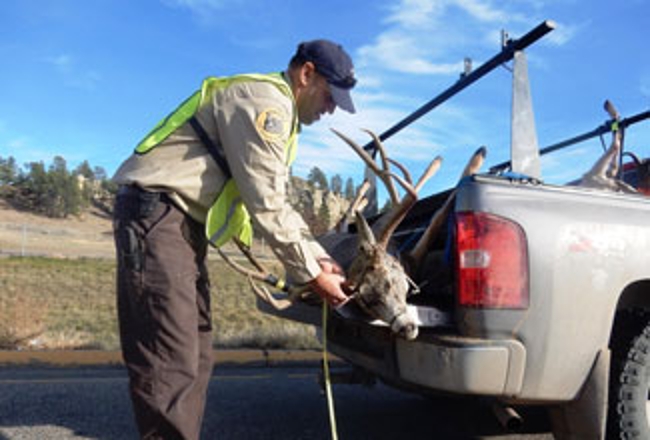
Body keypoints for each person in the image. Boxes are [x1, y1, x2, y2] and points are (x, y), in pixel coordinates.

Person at [111, 39, 356, 439]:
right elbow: (267, 203)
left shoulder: (278, 111)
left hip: (179, 225)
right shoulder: (266, 105)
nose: (331, 110)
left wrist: (318, 258)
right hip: (158, 218)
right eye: (330, 97)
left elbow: (277, 200)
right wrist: (313, 274)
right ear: (306, 74)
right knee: (170, 358)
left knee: (196, 351)